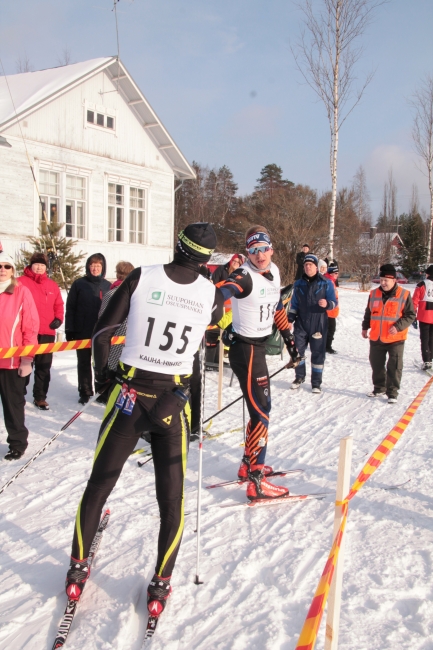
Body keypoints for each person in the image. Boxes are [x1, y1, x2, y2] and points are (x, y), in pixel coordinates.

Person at [63, 223, 224, 619]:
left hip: (130, 396)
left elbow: (103, 334)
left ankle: (78, 566)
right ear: (205, 259)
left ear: (178, 245)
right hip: (175, 401)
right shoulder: (210, 292)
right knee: (171, 500)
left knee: (100, 484)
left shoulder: (142, 276)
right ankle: (162, 580)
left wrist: (107, 377)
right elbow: (215, 332)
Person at [219, 226, 300, 501]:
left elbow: (277, 307)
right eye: (253, 250)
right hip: (246, 350)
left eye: (263, 248)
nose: (260, 255)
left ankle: (248, 465)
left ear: (271, 249)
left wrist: (289, 340)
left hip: (259, 347)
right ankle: (256, 480)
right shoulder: (244, 276)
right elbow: (221, 292)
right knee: (262, 412)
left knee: (259, 410)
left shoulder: (275, 271)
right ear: (247, 253)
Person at [0, 244, 39, 460]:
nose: (2, 269)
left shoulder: (20, 292)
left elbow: (30, 327)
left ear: (13, 270)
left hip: (11, 361)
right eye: (0, 266)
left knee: (12, 405)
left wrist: (27, 359)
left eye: (7, 266)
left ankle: (17, 442)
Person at [362, 263, 415, 404]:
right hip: (376, 336)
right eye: (381, 280)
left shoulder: (404, 294)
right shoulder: (373, 294)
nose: (383, 283)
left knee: (394, 366)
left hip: (395, 338)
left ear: (394, 280)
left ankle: (392, 392)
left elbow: (410, 315)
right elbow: (369, 312)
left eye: (387, 280)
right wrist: (364, 327)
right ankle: (379, 388)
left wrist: (398, 327)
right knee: (376, 364)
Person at [17, 252, 64, 410]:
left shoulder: (52, 285)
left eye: (42, 265)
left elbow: (58, 304)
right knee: (24, 364)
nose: (39, 268)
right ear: (31, 265)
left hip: (46, 331)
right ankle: (18, 395)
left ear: (46, 267)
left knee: (44, 366)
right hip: (26, 331)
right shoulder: (20, 282)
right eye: (36, 264)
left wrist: (58, 318)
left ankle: (40, 397)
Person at [65, 254, 111, 404]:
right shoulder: (79, 284)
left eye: (98, 266)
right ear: (88, 267)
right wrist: (70, 329)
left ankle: (101, 392)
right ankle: (85, 391)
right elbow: (70, 307)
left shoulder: (107, 286)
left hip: (101, 332)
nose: (95, 268)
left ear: (103, 268)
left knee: (101, 363)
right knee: (84, 362)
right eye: (92, 265)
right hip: (82, 330)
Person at [289, 254, 337, 393]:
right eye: (305, 265)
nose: (308, 267)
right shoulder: (298, 284)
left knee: (317, 353)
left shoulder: (325, 282)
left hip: (318, 322)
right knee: (297, 351)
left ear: (316, 266)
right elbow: (294, 304)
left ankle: (316, 383)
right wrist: (290, 319)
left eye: (310, 264)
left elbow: (334, 302)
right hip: (301, 322)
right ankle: (299, 377)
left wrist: (327, 303)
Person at [412, 264, 433, 371]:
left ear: (428, 274)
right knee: (432, 339)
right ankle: (431, 358)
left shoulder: (422, 284)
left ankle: (427, 361)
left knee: (425, 339)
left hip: (425, 316)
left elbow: (414, 301)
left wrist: (413, 316)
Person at [325, 263, 339, 354]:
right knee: (330, 330)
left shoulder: (331, 281)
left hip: (332, 311)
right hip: (329, 311)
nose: (337, 275)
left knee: (329, 330)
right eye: (336, 273)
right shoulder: (328, 281)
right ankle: (327, 347)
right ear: (331, 273)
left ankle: (326, 346)